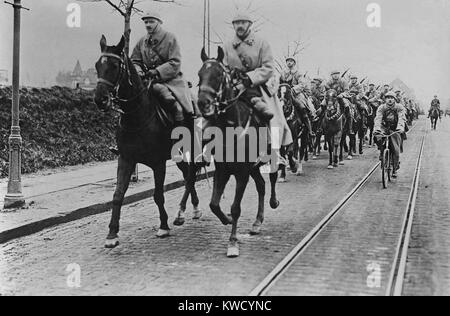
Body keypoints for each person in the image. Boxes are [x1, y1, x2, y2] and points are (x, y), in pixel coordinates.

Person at [222, 12, 293, 162]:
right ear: (233, 25)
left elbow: (268, 67)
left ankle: (273, 150)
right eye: (237, 23)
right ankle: (206, 148)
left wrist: (249, 78)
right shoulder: (227, 45)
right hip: (233, 87)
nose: (240, 25)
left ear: (249, 25)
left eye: (243, 22)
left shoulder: (262, 43)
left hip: (256, 87)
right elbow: (224, 67)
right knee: (216, 109)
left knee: (269, 114)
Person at [130, 11, 194, 126]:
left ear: (159, 23)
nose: (148, 25)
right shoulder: (142, 41)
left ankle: (182, 132)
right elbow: (135, 61)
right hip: (148, 80)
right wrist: (139, 72)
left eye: (151, 21)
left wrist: (157, 71)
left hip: (172, 80)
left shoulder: (170, 38)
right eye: (146, 22)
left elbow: (175, 61)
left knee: (177, 107)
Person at [373, 91, 406, 179]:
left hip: (395, 128)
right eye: (388, 98)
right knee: (378, 137)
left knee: (396, 149)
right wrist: (377, 129)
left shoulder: (399, 107)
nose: (390, 100)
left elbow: (401, 117)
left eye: (392, 98)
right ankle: (382, 152)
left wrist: (400, 127)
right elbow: (378, 118)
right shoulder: (381, 107)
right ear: (385, 99)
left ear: (395, 99)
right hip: (384, 127)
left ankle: (394, 168)